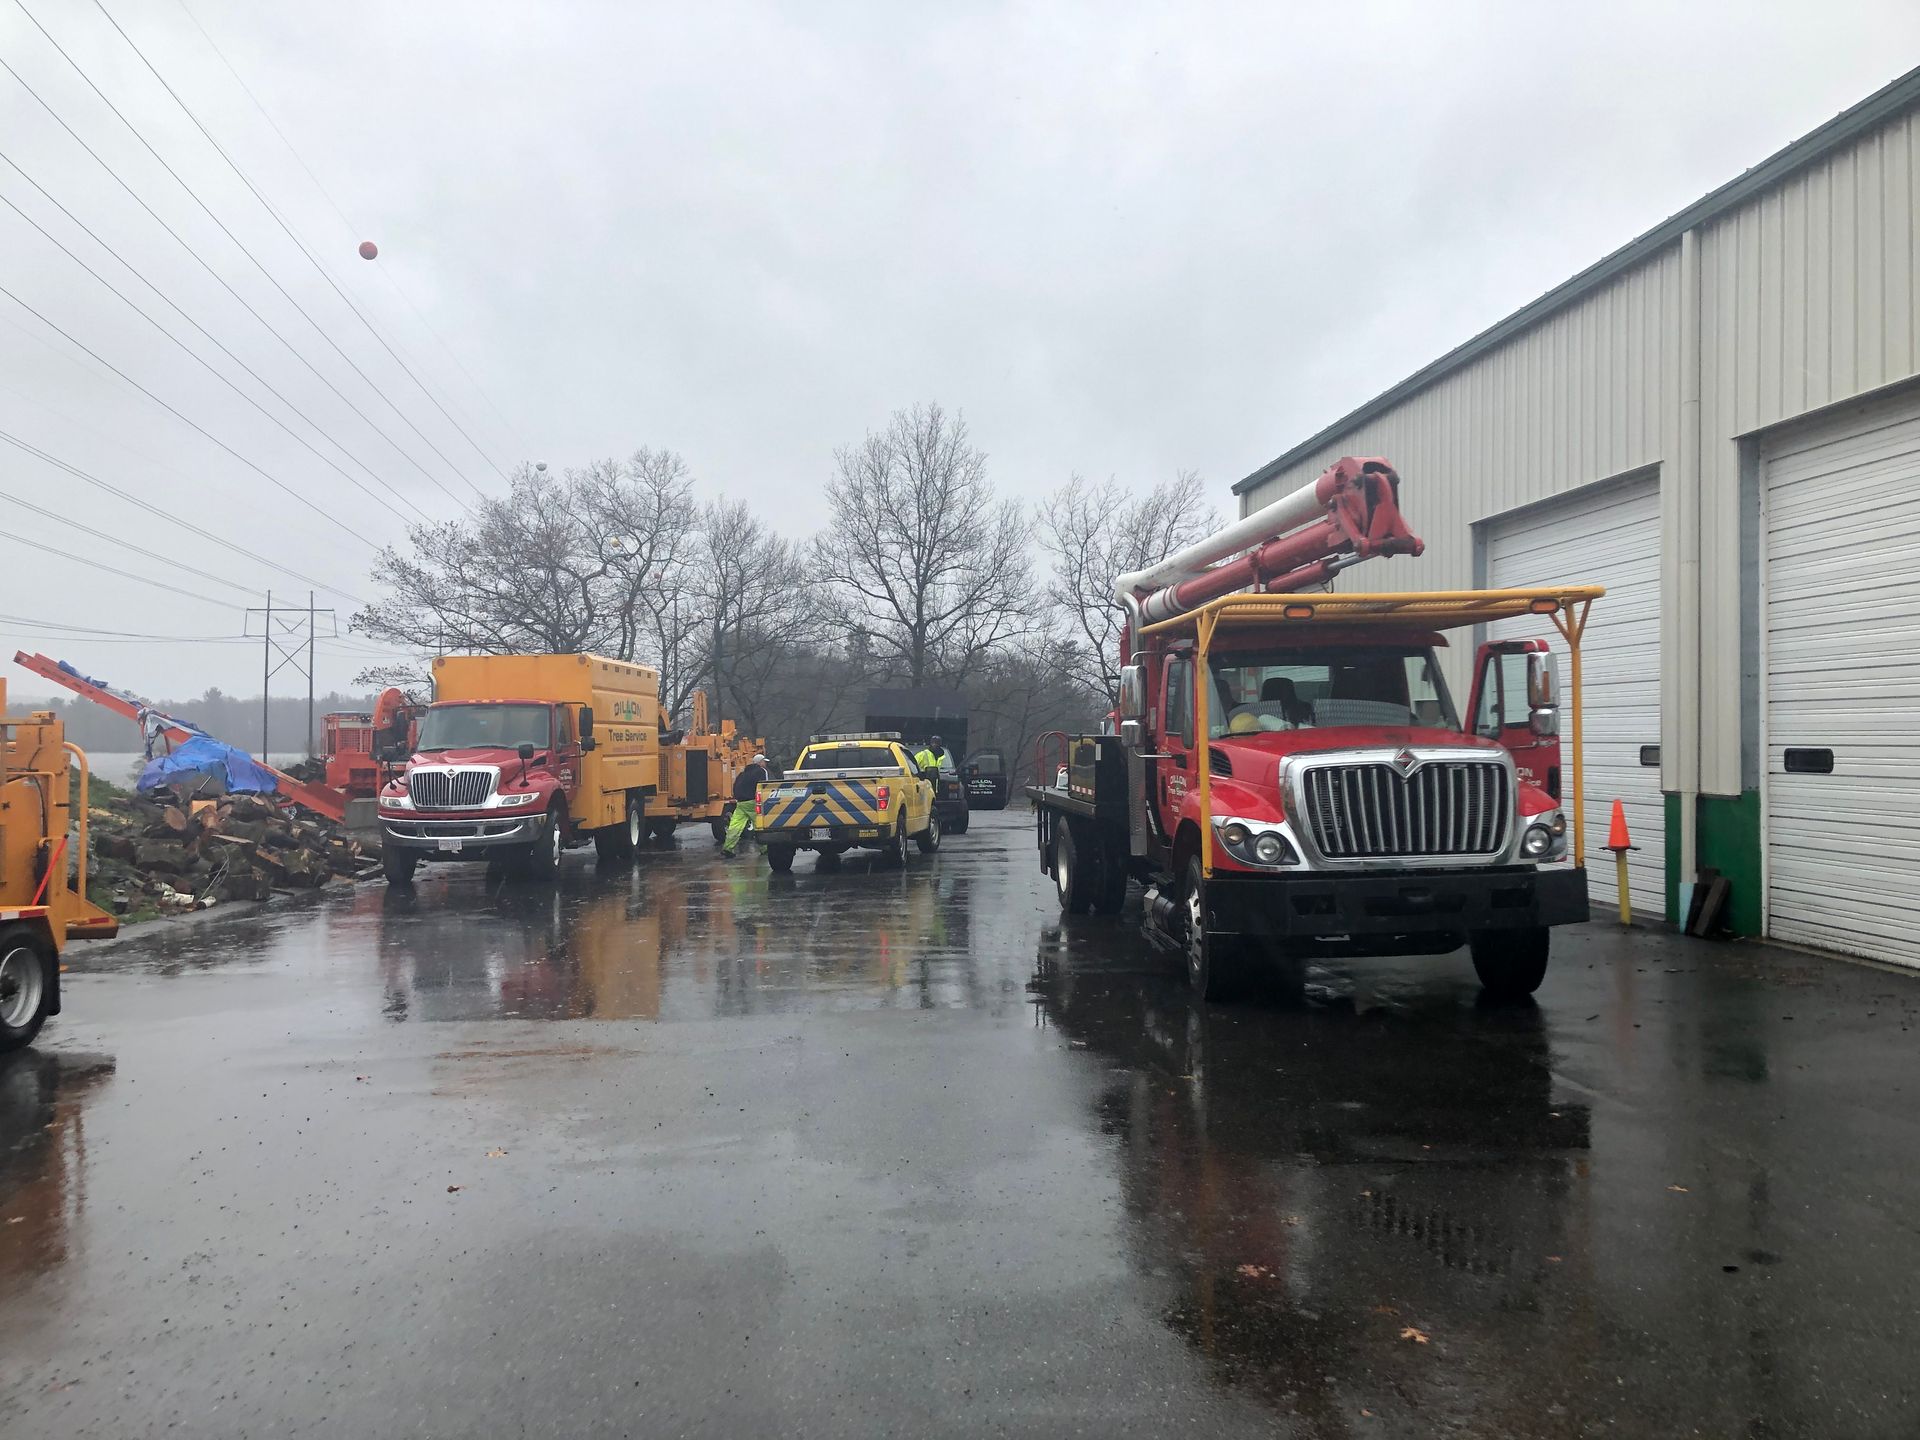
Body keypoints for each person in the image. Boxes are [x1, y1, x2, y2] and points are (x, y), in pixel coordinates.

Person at [721, 752, 770, 858]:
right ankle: (765, 848)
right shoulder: (761, 771)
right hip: (753, 802)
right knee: (759, 825)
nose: (765, 764)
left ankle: (728, 848)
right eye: (764, 762)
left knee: (735, 826)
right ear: (760, 762)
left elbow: (735, 786)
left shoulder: (743, 773)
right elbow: (765, 786)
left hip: (741, 803)